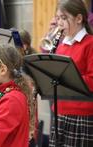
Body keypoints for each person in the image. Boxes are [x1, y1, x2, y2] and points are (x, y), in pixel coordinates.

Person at [49, 0, 93, 146]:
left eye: (63, 18)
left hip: (81, 114)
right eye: (58, 18)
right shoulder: (61, 46)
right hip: (59, 111)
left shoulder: (90, 43)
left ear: (79, 19)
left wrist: (66, 79)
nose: (59, 23)